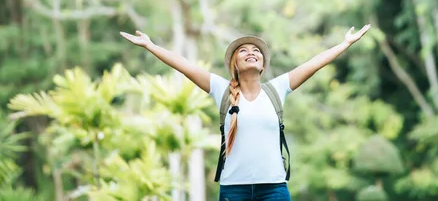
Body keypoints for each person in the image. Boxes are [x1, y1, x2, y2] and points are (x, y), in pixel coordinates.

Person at [120, 24, 371, 201]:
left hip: (274, 189)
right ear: (235, 66)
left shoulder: (277, 89)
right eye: (244, 51)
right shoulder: (221, 89)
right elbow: (184, 66)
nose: (252, 53)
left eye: (256, 51)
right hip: (234, 191)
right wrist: (150, 46)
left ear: (262, 66)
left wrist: (344, 44)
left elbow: (313, 64)